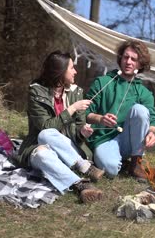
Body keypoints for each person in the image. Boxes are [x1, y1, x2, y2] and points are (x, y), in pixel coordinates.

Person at [16, 51, 104, 203]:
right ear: (60, 71)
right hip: (41, 146)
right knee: (44, 141)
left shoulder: (76, 93)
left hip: (70, 150)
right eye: (71, 68)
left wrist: (82, 132)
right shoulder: (36, 92)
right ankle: (81, 184)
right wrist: (72, 109)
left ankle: (82, 166)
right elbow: (45, 126)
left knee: (46, 135)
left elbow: (77, 131)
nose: (75, 71)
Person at [85, 40, 155, 181]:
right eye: (126, 57)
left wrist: (152, 132)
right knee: (111, 170)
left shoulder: (144, 92)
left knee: (140, 110)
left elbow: (153, 120)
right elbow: (85, 113)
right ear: (120, 58)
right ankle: (121, 162)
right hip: (104, 139)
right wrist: (100, 118)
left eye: (134, 59)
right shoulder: (102, 82)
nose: (129, 62)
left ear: (140, 64)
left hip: (129, 141)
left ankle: (136, 163)